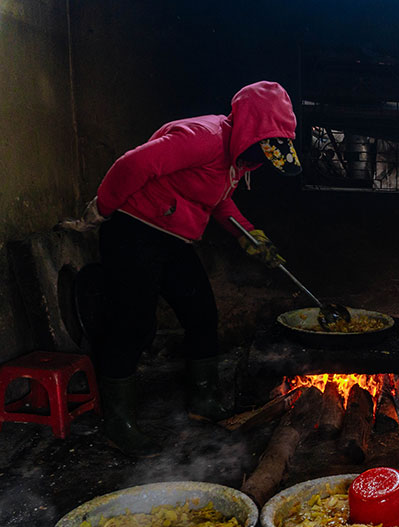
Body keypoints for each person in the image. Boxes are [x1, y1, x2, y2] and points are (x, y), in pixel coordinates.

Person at [87, 80, 302, 456]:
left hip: (172, 238)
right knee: (134, 322)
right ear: (250, 127)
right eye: (264, 145)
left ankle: (204, 402)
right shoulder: (203, 137)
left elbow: (218, 202)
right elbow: (132, 163)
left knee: (202, 312)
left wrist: (251, 236)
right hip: (133, 229)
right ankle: (118, 423)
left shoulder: (236, 159)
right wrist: (103, 209)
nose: (264, 158)